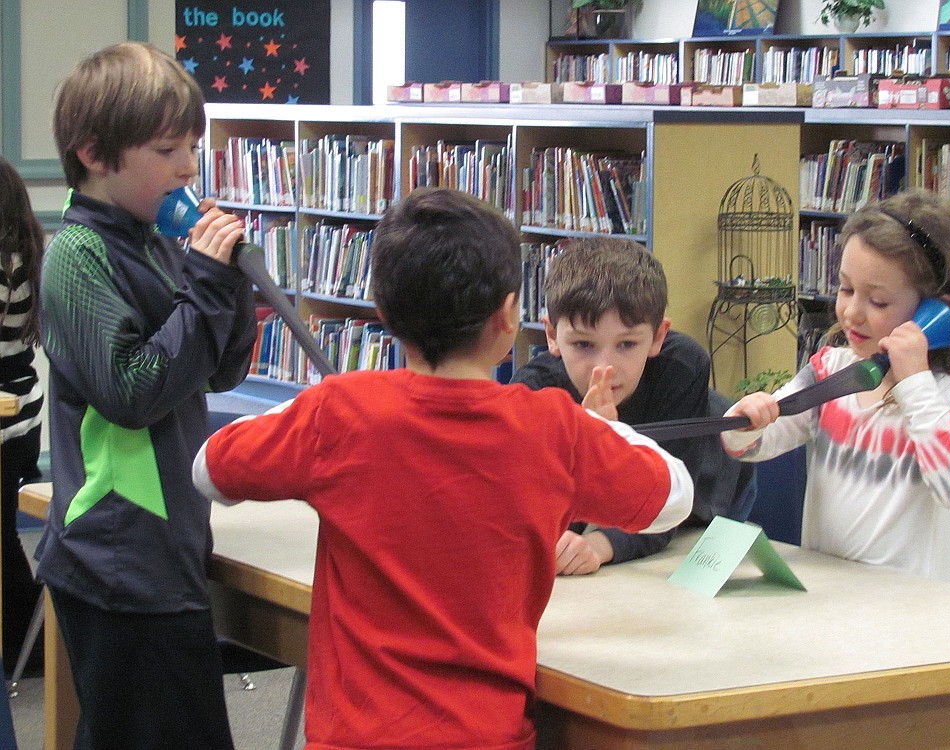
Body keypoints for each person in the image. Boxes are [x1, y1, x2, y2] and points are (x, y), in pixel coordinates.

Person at [192, 188, 694, 750]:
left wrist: (314, 406)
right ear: (509, 317)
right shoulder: (555, 427)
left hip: (356, 737)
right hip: (488, 736)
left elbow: (209, 470)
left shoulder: (338, 412)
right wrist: (602, 427)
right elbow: (673, 496)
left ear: (383, 315)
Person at [36, 41, 256, 749]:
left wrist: (228, 281)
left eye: (192, 145)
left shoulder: (156, 239)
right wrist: (202, 287)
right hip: (118, 554)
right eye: (168, 149)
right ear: (97, 154)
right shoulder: (77, 256)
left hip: (167, 544)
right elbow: (133, 390)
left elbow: (219, 372)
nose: (190, 165)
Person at [722, 189, 950, 584]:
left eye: (878, 301)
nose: (852, 312)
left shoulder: (948, 396)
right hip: (834, 594)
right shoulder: (829, 371)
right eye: (846, 289)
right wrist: (746, 421)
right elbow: (757, 445)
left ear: (934, 310)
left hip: (911, 611)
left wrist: (915, 382)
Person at [511, 237, 755, 575]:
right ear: (551, 335)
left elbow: (670, 508)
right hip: (627, 501)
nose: (604, 368)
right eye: (583, 344)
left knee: (694, 595)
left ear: (657, 337)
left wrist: (598, 546)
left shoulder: (683, 365)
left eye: (627, 344)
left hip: (708, 490)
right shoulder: (532, 391)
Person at [0, 155, 46, 675]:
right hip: (23, 411)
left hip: (7, 413)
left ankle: (24, 644)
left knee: (3, 539)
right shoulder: (26, 248)